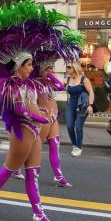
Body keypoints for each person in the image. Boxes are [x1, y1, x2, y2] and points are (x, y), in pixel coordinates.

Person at [0, 0, 84, 221]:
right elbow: (19, 111)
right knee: (9, 169)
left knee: (33, 173)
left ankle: (39, 213)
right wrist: (39, 116)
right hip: (21, 131)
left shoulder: (31, 84)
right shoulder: (8, 85)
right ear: (18, 66)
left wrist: (41, 112)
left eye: (31, 65)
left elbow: (34, 102)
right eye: (28, 65)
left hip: (35, 132)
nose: (32, 68)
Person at [33, 54, 71, 187]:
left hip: (54, 118)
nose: (52, 71)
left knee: (55, 146)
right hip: (43, 117)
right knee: (34, 148)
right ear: (41, 70)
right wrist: (46, 74)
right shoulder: (35, 82)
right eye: (48, 69)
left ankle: (58, 175)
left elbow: (60, 86)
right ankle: (30, 173)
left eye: (52, 68)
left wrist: (49, 75)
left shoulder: (50, 81)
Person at [64, 62, 94, 157]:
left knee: (78, 127)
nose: (67, 69)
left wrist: (90, 105)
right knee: (69, 126)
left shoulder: (83, 79)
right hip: (71, 106)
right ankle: (75, 145)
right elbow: (57, 84)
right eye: (67, 67)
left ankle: (79, 147)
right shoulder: (68, 79)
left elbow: (91, 92)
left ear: (74, 68)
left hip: (82, 106)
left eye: (69, 67)